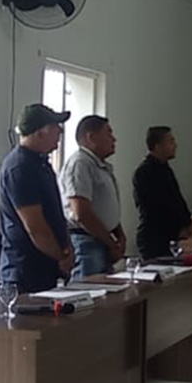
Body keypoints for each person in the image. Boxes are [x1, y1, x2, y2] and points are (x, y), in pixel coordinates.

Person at [0, 103, 74, 293]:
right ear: (40, 133)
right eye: (56, 126)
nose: (60, 131)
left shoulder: (40, 163)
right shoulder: (20, 168)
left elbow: (54, 213)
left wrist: (66, 249)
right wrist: (62, 257)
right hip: (26, 274)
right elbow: (36, 227)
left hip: (46, 267)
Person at [59, 115, 125, 279]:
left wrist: (120, 235)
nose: (114, 139)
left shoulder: (100, 166)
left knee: (107, 291)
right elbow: (81, 214)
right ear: (91, 137)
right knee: (90, 291)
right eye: (108, 133)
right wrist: (111, 243)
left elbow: (105, 206)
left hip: (103, 240)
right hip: (87, 243)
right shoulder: (80, 164)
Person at [133, 126, 192, 259]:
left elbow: (176, 198)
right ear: (157, 146)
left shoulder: (164, 169)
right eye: (170, 141)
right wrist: (183, 223)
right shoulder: (146, 172)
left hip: (167, 236)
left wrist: (187, 222)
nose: (175, 145)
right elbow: (163, 204)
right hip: (154, 237)